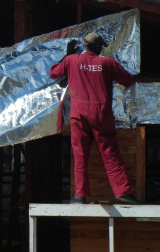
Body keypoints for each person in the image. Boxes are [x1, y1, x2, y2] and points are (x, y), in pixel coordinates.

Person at [49, 33, 142, 205]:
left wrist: (67, 55)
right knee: (110, 153)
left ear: (85, 46)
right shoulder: (107, 63)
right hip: (100, 113)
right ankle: (122, 192)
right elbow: (128, 80)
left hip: (78, 114)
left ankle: (79, 197)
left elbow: (53, 73)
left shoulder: (72, 61)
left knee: (80, 155)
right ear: (99, 47)